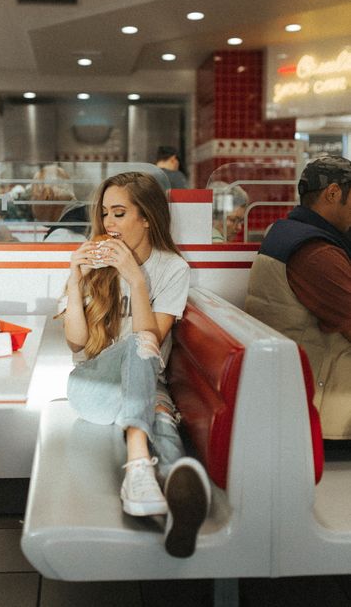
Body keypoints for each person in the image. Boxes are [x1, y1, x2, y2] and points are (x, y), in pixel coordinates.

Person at [57, 171, 211, 558]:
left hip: (144, 386)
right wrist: (75, 281)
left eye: (119, 213)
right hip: (93, 385)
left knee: (159, 407)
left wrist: (136, 280)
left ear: (147, 217)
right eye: (106, 213)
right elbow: (76, 342)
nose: (108, 223)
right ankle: (139, 463)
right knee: (140, 354)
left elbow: (153, 344)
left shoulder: (171, 268)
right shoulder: (93, 262)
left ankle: (174, 497)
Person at [245, 156, 351, 441]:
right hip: (323, 399)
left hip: (293, 382)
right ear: (333, 193)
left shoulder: (288, 232)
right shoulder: (316, 253)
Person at [30, 164, 88, 242]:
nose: (31, 204)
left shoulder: (62, 236)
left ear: (47, 195)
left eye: (34, 197)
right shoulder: (83, 218)